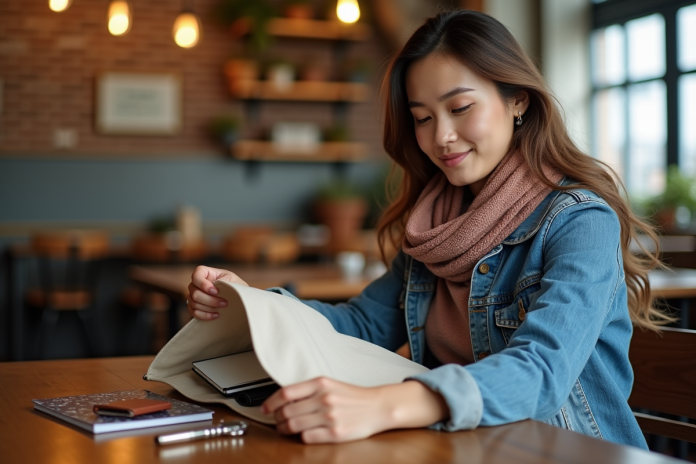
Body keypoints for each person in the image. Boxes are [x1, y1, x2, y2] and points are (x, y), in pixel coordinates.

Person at [186, 10, 671, 447]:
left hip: (568, 450)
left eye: (460, 109)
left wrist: (386, 405)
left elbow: (543, 370)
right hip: (464, 445)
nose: (440, 137)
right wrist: (254, 303)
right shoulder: (434, 224)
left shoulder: (580, 222)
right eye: (422, 118)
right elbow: (364, 326)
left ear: (518, 101)